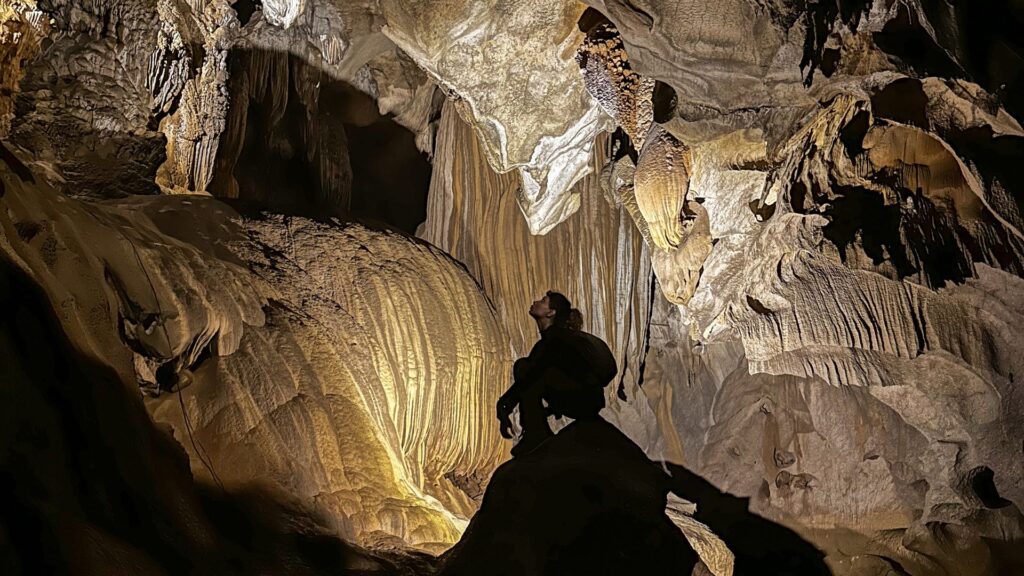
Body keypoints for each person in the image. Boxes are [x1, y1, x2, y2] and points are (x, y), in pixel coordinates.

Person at [496, 291, 617, 456]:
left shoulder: (554, 339)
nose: (535, 301)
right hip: (590, 400)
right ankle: (537, 430)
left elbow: (530, 377)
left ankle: (535, 434)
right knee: (533, 370)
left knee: (523, 367)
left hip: (580, 400)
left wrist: (503, 406)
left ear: (550, 312)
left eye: (543, 301)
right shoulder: (562, 338)